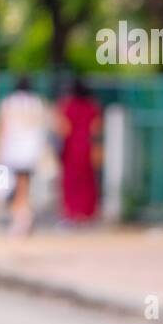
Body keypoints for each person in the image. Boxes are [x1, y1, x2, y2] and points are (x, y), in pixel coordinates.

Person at [0, 76, 51, 235]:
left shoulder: (9, 102)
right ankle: (23, 215)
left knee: (18, 185)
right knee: (24, 184)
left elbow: (3, 127)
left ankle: (21, 218)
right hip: (32, 150)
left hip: (13, 149)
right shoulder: (37, 102)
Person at [57, 78, 103, 223]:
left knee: (70, 182)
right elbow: (96, 129)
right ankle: (86, 212)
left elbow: (65, 129)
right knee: (88, 181)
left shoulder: (67, 106)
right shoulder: (93, 107)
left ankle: (72, 212)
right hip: (87, 147)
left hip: (71, 148)